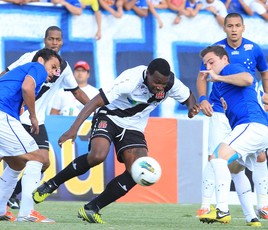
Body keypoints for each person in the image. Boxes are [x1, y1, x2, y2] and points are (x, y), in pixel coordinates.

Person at [32, 58, 200, 224]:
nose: (159, 87)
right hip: (110, 116)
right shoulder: (130, 80)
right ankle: (52, 184)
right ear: (147, 73)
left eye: (163, 84)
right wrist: (73, 128)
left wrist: (192, 107)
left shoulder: (170, 83)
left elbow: (189, 97)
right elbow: (95, 102)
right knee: (97, 156)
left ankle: (92, 208)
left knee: (137, 170)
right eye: (156, 82)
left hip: (134, 126)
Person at [0, 26, 90, 210]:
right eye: (51, 39)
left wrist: (95, 107)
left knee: (43, 162)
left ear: (62, 41)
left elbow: (77, 92)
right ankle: (24, 210)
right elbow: (6, 75)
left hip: (36, 121)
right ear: (45, 40)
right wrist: (12, 95)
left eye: (58, 39)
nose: (54, 43)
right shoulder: (33, 59)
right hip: (16, 117)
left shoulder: (62, 67)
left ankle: (11, 198)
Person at [0, 48, 62, 222]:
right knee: (38, 158)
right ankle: (27, 212)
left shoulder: (14, 75)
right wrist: (34, 117)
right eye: (53, 66)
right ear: (42, 61)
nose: (55, 72)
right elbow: (27, 87)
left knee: (16, 164)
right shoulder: (37, 68)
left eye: (57, 70)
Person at [196, 13, 268, 224]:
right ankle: (252, 217)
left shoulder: (231, 68)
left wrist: (218, 76)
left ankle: (221, 210)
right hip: (254, 130)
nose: (208, 67)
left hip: (253, 127)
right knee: (233, 168)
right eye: (205, 64)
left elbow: (247, 78)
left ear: (224, 59)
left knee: (217, 157)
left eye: (211, 62)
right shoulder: (219, 85)